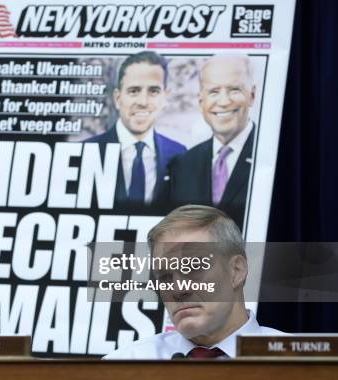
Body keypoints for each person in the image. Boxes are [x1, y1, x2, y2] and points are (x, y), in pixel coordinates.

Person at [104, 205, 284, 359]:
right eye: (165, 276)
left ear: (236, 271)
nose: (177, 290)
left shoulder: (298, 362)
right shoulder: (122, 365)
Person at [168, 54, 256, 228]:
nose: (223, 101)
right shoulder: (182, 165)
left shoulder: (274, 157)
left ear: (252, 95)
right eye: (214, 91)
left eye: (234, 89)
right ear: (201, 101)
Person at [86, 51, 185, 206]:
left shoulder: (179, 154)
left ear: (165, 98)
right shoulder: (86, 152)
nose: (143, 102)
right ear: (118, 99)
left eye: (153, 91)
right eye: (134, 91)